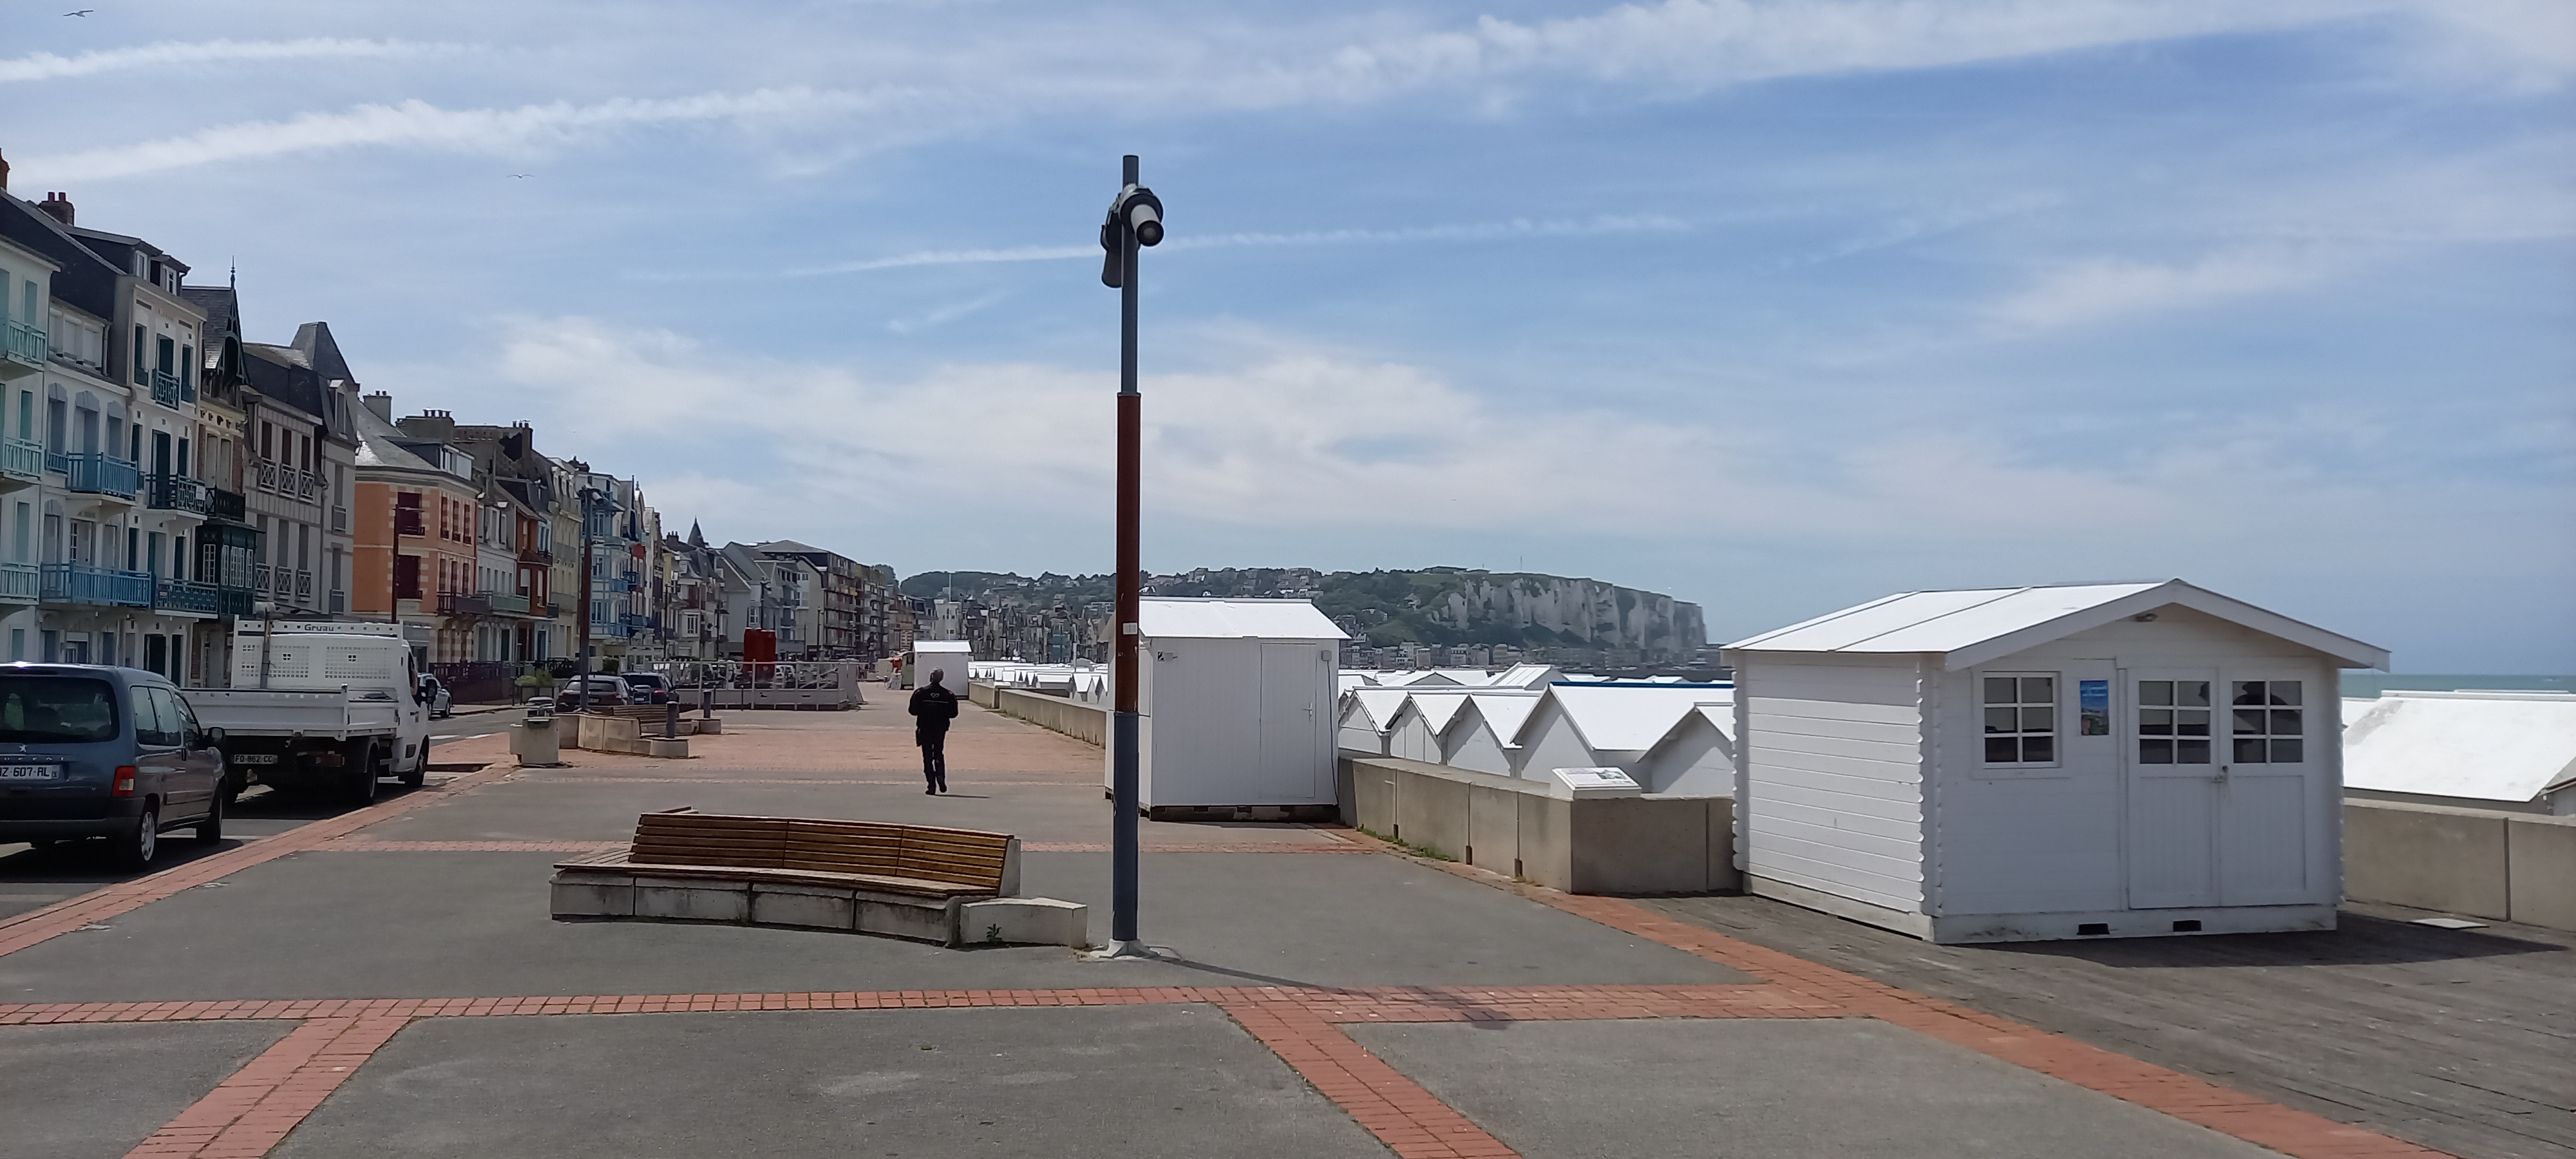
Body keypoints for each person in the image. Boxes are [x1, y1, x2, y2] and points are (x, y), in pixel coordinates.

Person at [907, 668, 960, 794]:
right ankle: (941, 778)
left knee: (927, 756)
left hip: (925, 728)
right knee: (938, 753)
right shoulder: (948, 695)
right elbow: (954, 713)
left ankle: (931, 785)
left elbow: (912, 711)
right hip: (940, 729)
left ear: (931, 677)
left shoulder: (921, 693)